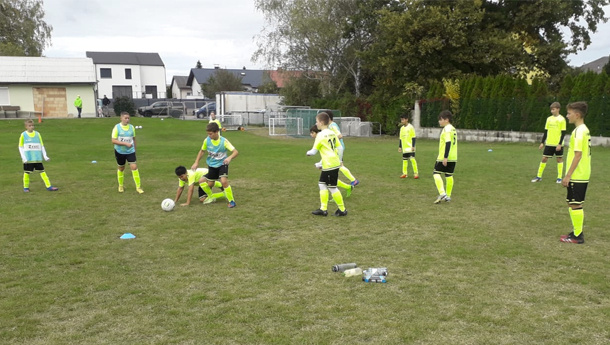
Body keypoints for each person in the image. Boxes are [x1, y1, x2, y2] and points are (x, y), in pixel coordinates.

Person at [560, 102, 591, 244]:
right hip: (581, 173)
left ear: (577, 115)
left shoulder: (579, 131)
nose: (567, 116)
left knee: (575, 204)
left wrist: (568, 175)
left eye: (569, 113)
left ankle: (577, 236)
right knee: (573, 203)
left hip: (578, 174)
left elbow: (578, 155)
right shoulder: (584, 129)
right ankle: (576, 231)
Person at [307, 112, 347, 216]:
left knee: (332, 187)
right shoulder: (332, 133)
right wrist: (339, 160)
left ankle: (342, 210)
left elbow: (313, 151)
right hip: (332, 163)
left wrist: (308, 153)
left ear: (320, 122)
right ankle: (323, 209)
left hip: (329, 164)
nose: (316, 124)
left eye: (316, 122)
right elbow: (340, 148)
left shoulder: (320, 135)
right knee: (322, 184)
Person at [191, 122, 239, 208]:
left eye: (210, 134)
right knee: (205, 182)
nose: (209, 136)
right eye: (208, 134)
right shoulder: (207, 140)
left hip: (222, 164)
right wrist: (196, 162)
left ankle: (231, 201)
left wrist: (229, 158)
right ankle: (212, 197)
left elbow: (235, 152)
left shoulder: (224, 141)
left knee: (224, 181)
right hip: (212, 166)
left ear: (217, 132)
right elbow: (202, 151)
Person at [310, 125, 353, 197]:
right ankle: (347, 188)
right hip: (331, 161)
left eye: (312, 133)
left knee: (327, 182)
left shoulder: (321, 138)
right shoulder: (323, 137)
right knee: (329, 180)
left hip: (332, 161)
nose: (311, 135)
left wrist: (320, 164)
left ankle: (337, 203)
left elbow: (328, 153)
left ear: (317, 133)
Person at [18, 119, 59, 192]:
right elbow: (20, 147)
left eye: (33, 125)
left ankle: (49, 186)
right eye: (30, 126)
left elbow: (41, 146)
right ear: (26, 127)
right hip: (28, 158)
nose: (32, 127)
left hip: (37, 158)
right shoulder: (23, 135)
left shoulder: (37, 134)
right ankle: (26, 187)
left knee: (42, 172)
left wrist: (45, 156)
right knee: (27, 172)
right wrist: (24, 158)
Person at [531, 102, 566, 183]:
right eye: (551, 110)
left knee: (559, 159)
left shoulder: (562, 119)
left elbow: (563, 132)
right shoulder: (549, 119)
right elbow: (546, 131)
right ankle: (539, 177)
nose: (552, 111)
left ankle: (559, 178)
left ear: (558, 109)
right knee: (544, 158)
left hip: (558, 144)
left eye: (553, 109)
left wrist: (559, 144)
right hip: (549, 143)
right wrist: (542, 142)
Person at [111, 112, 143, 194]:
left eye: (128, 118)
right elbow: (113, 140)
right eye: (125, 118)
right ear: (121, 118)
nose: (127, 120)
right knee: (121, 168)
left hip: (130, 151)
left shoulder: (132, 127)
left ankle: (138, 187)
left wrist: (134, 149)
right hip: (120, 151)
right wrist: (125, 144)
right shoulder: (117, 128)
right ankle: (120, 185)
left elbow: (134, 139)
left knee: (134, 167)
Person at [327, 110, 359, 186]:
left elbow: (340, 135)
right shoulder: (330, 125)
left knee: (338, 165)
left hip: (337, 148)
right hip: (337, 148)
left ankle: (353, 180)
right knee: (338, 165)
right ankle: (353, 180)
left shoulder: (332, 126)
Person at [433, 110, 457, 204]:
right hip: (454, 156)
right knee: (449, 175)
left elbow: (448, 142)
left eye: (441, 119)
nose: (439, 121)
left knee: (436, 173)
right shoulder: (453, 128)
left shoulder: (447, 129)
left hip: (444, 156)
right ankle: (448, 196)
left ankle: (442, 193)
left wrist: (445, 157)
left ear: (446, 120)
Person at [398, 112, 419, 179]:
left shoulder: (411, 127)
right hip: (404, 148)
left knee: (412, 160)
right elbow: (401, 138)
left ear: (407, 119)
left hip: (410, 147)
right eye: (401, 120)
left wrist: (413, 146)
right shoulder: (401, 128)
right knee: (404, 160)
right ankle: (405, 173)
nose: (402, 121)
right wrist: (400, 147)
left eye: (403, 119)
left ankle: (416, 173)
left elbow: (413, 137)